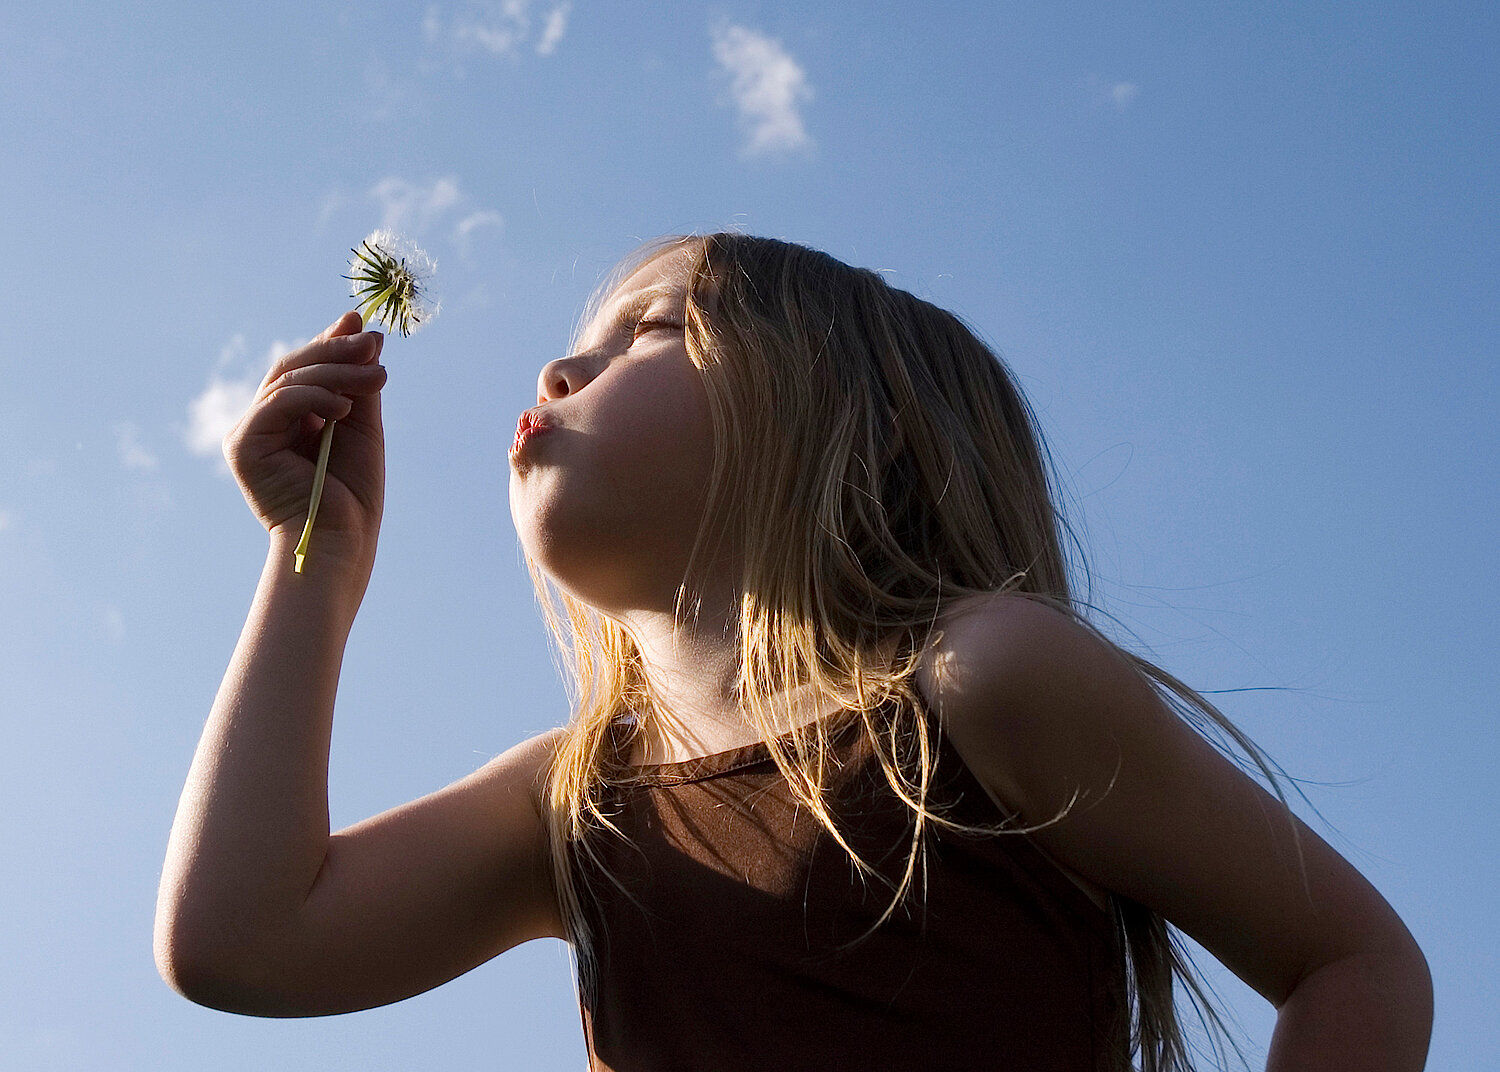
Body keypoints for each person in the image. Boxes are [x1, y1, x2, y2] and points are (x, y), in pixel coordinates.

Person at [155, 233, 1432, 1071]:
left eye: (651, 330)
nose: (560, 362)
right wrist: (315, 557)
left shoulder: (981, 681)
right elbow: (241, 942)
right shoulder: (579, 798)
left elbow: (1355, 961)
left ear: (847, 419)